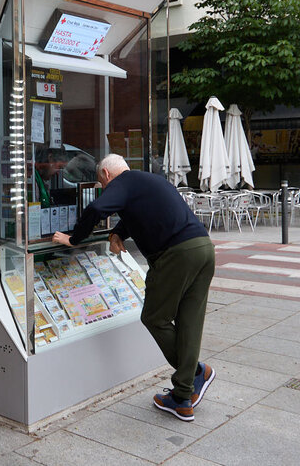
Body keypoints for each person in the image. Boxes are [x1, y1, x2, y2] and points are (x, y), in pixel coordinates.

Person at [51, 154, 215, 422]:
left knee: (154, 317)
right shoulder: (149, 180)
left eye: (102, 184)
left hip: (176, 255)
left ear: (106, 173)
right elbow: (137, 213)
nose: (105, 189)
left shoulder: (121, 183)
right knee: (189, 321)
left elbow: (95, 210)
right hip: (203, 249)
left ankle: (195, 372)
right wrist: (117, 233)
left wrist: (74, 238)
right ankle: (183, 398)